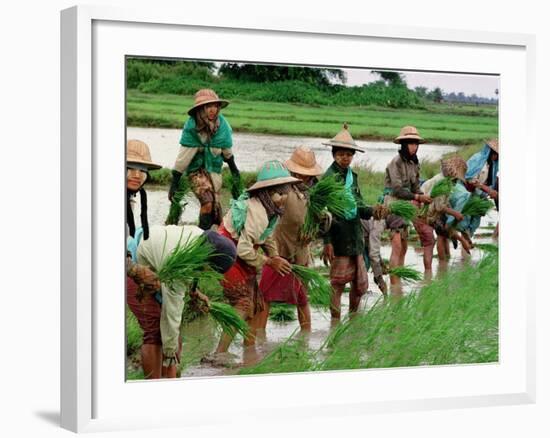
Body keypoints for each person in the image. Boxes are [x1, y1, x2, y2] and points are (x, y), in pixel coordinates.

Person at [216, 160, 301, 353]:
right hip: (228, 254)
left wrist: (276, 256)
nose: (283, 198)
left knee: (257, 305)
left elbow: (267, 235)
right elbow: (244, 250)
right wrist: (270, 261)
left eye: (285, 192)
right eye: (279, 193)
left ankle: (250, 351)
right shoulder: (257, 211)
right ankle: (220, 353)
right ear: (266, 192)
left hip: (240, 254)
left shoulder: (271, 210)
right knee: (243, 304)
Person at [131, 224, 237, 378]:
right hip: (136, 264)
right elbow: (172, 312)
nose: (208, 272)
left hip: (156, 264)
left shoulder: (202, 240)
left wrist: (195, 291)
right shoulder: (176, 261)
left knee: (170, 336)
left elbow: (193, 270)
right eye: (210, 268)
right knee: (154, 331)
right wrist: (170, 351)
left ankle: (168, 379)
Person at [321, 124, 387, 320]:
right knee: (338, 284)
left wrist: (374, 211)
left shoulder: (352, 177)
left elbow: (358, 206)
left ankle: (353, 320)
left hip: (355, 236)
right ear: (334, 154)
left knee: (358, 285)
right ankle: (335, 322)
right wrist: (327, 242)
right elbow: (322, 214)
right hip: (338, 236)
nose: (345, 158)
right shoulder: (328, 179)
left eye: (349, 154)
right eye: (341, 154)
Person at [257, 146, 324, 332]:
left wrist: (316, 228)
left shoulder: (314, 194)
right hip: (279, 250)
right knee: (265, 295)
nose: (303, 178)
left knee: (302, 298)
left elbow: (321, 219)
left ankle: (305, 338)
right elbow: (269, 213)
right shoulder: (283, 190)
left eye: (307, 175)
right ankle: (259, 338)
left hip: (301, 252)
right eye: (300, 173)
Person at [168, 89, 241, 230]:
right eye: (208, 107)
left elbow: (227, 152)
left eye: (215, 106)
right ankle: (201, 238)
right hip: (196, 172)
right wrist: (174, 183)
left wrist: (235, 171)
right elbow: (183, 158)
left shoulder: (222, 127)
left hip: (214, 171)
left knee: (215, 209)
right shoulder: (192, 127)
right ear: (201, 109)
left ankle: (210, 239)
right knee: (207, 203)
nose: (212, 110)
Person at [125, 139, 166, 379]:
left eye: (143, 171)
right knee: (153, 329)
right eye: (130, 167)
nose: (137, 175)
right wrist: (135, 270)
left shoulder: (129, 199)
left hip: (129, 267)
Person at [383, 126, 433, 284]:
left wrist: (422, 196)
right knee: (396, 245)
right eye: (411, 143)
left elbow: (415, 186)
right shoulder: (395, 163)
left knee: (404, 245)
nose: (414, 146)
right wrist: (417, 196)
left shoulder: (414, 163)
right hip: (394, 205)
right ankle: (394, 282)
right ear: (404, 145)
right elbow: (397, 190)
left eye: (416, 143)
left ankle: (399, 279)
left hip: (406, 207)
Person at [420, 156, 471, 264]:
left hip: (431, 208)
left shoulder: (445, 180)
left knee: (443, 233)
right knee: (441, 235)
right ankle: (442, 266)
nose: (457, 182)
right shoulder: (443, 183)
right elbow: (439, 206)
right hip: (426, 210)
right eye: (456, 179)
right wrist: (455, 213)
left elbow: (444, 203)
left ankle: (444, 262)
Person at [464, 139, 499, 238]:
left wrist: (489, 191)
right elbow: (469, 178)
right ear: (490, 151)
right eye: (495, 154)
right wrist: (487, 189)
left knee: (475, 222)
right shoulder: (477, 159)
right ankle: (465, 247)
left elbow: (489, 182)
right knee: (465, 221)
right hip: (468, 194)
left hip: (479, 195)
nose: (496, 157)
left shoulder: (493, 165)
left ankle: (466, 244)